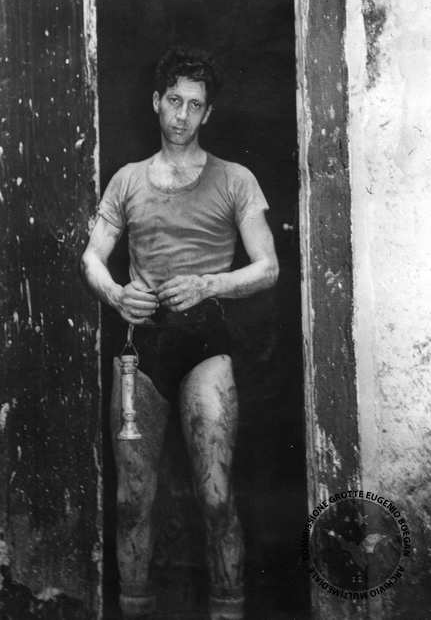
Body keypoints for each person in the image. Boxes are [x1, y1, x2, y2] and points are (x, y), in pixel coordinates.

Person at [81, 47, 279, 620]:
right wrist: (116, 293)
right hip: (140, 349)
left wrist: (208, 283)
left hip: (205, 345)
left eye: (195, 105)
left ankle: (228, 608)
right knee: (131, 501)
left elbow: (267, 267)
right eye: (174, 100)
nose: (182, 115)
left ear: (208, 113)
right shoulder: (127, 180)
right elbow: (92, 257)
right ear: (156, 102)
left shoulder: (235, 179)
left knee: (216, 497)